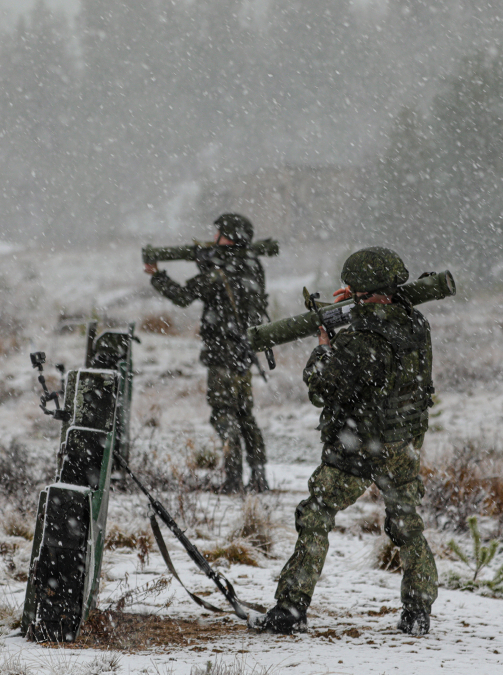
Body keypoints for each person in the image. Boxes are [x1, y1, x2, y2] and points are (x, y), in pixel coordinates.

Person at [251, 246, 438, 636]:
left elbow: (323, 388)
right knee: (407, 525)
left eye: (352, 287)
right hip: (402, 443)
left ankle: (290, 608)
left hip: (359, 446)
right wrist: (361, 304)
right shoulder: (416, 323)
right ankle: (418, 610)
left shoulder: (361, 339)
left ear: (363, 288)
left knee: (316, 516)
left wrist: (324, 348)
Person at [144, 213, 270, 494]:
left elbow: (183, 296)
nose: (214, 237)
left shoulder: (220, 271)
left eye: (220, 234)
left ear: (230, 237)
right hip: (243, 353)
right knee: (245, 414)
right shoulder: (253, 266)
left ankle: (233, 480)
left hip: (222, 354)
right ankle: (259, 477)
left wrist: (157, 276)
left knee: (223, 415)